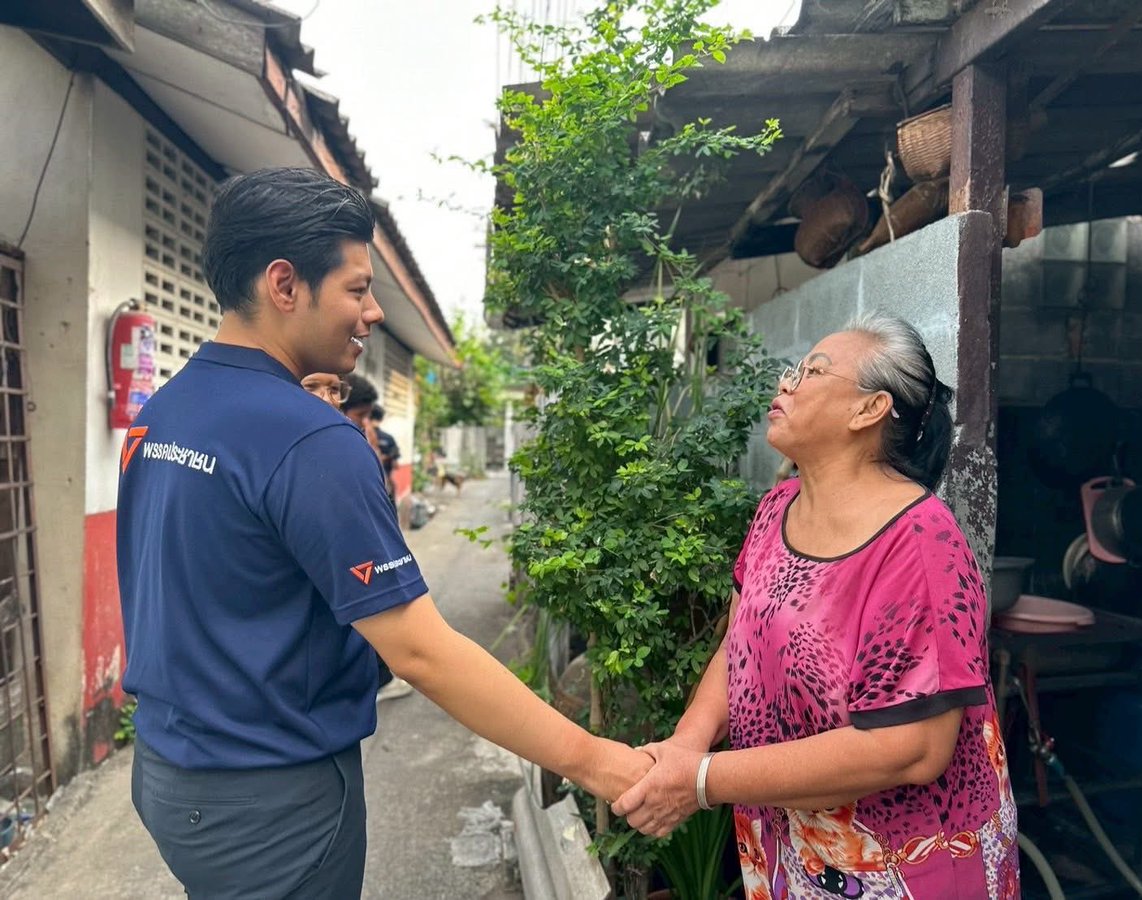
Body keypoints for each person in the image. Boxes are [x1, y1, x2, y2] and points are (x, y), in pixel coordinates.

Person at [117, 167, 650, 899]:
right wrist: (595, 761)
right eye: (357, 288)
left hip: (169, 777)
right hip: (273, 800)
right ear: (284, 285)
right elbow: (421, 652)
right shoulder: (312, 440)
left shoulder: (163, 412)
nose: (371, 313)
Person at [614, 312, 1018, 899]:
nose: (787, 381)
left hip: (903, 864)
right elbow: (739, 645)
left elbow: (910, 749)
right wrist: (686, 744)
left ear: (868, 410)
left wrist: (702, 779)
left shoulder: (919, 540)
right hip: (788, 844)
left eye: (813, 371)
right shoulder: (776, 509)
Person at [301, 373, 413, 702]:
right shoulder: (316, 447)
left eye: (335, 390)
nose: (327, 398)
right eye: (313, 388)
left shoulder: (351, 438)